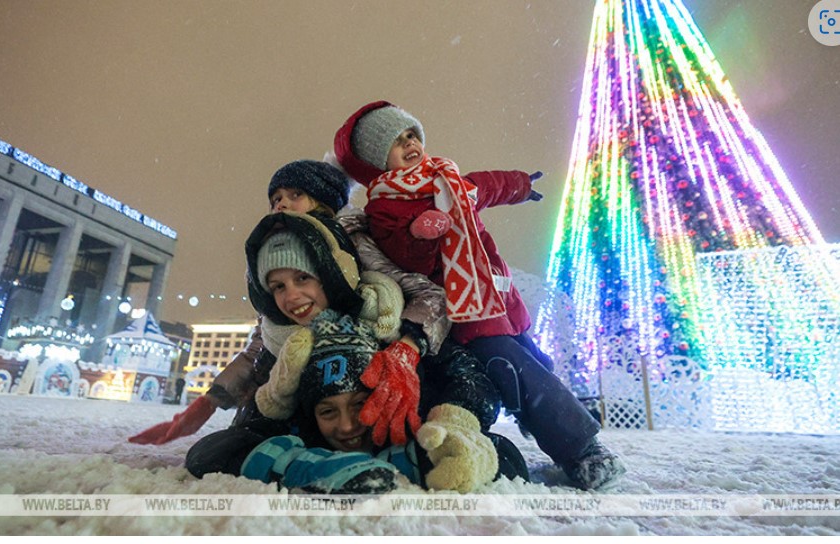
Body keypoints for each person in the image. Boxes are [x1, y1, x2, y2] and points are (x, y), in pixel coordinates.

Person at [334, 100, 626, 490]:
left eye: (411, 135)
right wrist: (421, 233)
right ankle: (581, 450)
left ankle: (548, 412)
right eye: (395, 142)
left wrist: (520, 185)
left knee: (534, 359)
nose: (409, 145)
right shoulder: (386, 204)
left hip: (495, 295)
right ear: (377, 159)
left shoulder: (445, 178)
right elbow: (403, 253)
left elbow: (485, 186)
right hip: (463, 307)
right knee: (513, 367)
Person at [188, 211, 526, 493]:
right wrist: (304, 462)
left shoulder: (392, 320)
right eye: (278, 286)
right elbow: (234, 441)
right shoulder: (284, 351)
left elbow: (465, 374)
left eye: (303, 278)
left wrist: (453, 422)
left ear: (331, 274)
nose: (291, 298)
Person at [130, 160, 453, 447]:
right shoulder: (276, 252)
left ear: (323, 201)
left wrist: (405, 347)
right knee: (244, 437)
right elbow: (265, 339)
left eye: (294, 195)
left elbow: (429, 296)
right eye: (275, 199)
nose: (281, 204)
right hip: (299, 372)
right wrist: (211, 400)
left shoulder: (352, 241)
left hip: (355, 364)